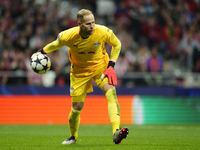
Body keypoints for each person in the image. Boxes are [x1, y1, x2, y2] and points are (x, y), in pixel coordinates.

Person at [31, 9, 129, 145]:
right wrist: (41, 51)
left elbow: (117, 44)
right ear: (79, 24)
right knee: (76, 108)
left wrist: (111, 66)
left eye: (93, 22)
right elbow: (55, 44)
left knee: (111, 93)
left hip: (100, 67)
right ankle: (73, 136)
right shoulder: (67, 36)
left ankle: (116, 132)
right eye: (88, 24)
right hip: (79, 72)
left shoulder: (103, 31)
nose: (92, 26)